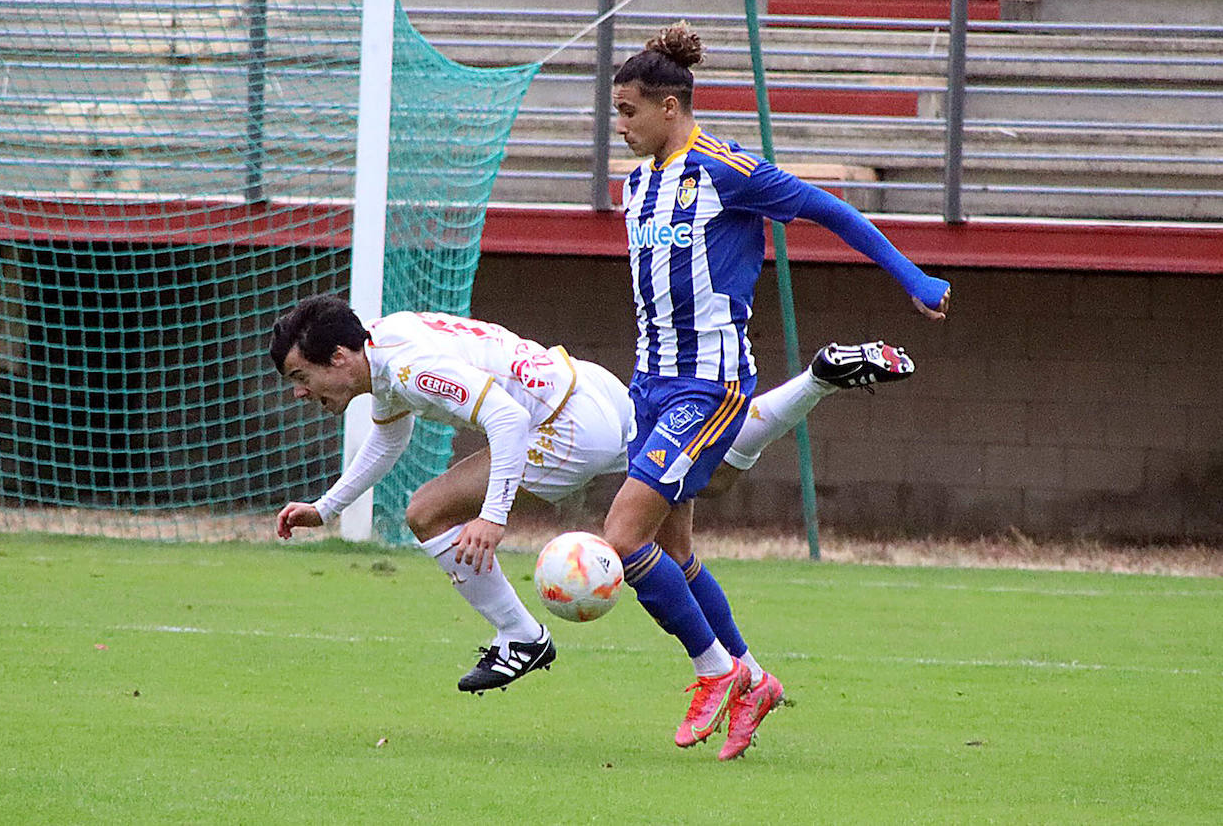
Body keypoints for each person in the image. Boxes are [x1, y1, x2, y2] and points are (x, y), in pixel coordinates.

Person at [269, 296, 914, 708]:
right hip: (586, 385)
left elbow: (503, 420)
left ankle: (522, 637)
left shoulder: (406, 368)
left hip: (559, 423)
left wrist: (494, 517)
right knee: (697, 497)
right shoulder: (385, 346)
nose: (302, 394)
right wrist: (327, 508)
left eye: (303, 378)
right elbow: (390, 436)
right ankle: (813, 383)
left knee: (427, 511)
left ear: (341, 357)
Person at [603, 20, 950, 760]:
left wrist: (910, 277)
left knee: (622, 539)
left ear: (671, 107)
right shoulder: (635, 185)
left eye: (629, 111)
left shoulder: (726, 170)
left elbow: (831, 210)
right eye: (617, 112)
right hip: (651, 381)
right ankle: (753, 679)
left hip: (710, 382)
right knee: (675, 549)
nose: (620, 125)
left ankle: (714, 672)